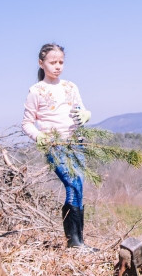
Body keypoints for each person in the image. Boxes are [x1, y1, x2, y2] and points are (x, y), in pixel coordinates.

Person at [22, 43, 94, 249]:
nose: (58, 66)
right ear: (41, 63)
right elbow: (26, 123)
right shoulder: (37, 91)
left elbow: (82, 109)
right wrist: (38, 137)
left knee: (79, 186)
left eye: (61, 62)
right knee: (72, 184)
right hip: (55, 145)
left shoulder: (71, 87)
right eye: (53, 62)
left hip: (76, 143)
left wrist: (86, 115)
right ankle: (74, 243)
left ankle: (79, 241)